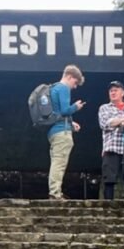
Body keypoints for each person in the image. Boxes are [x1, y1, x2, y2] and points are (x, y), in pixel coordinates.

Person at [97, 80, 124, 200]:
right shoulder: (104, 108)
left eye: (115, 90)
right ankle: (108, 207)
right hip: (111, 147)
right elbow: (105, 123)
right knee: (109, 180)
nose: (113, 92)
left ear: (122, 93)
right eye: (111, 91)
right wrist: (123, 120)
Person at [47, 64, 86, 200]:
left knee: (56, 161)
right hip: (62, 133)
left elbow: (57, 113)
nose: (75, 87)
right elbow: (64, 110)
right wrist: (76, 107)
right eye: (75, 82)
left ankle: (55, 190)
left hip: (53, 131)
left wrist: (71, 123)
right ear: (69, 77)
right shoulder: (64, 88)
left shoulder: (53, 88)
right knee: (59, 163)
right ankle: (55, 193)